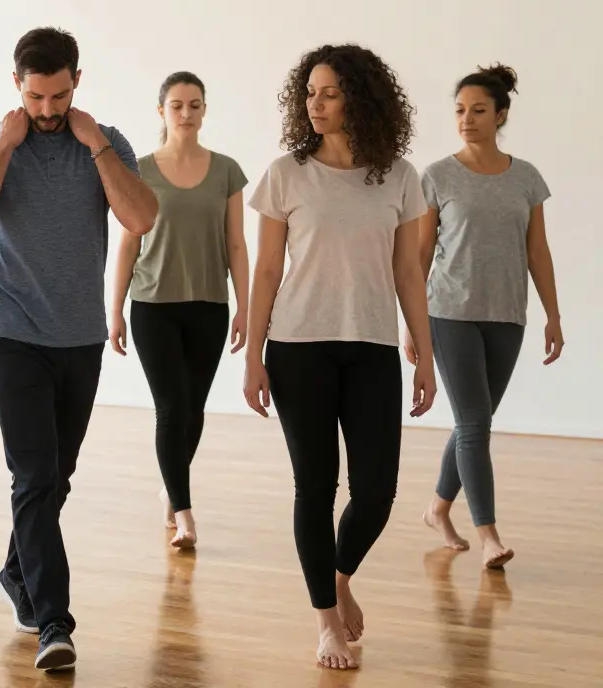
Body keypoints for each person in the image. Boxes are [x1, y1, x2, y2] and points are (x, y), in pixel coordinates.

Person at [0, 27, 157, 672]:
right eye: (36, 97)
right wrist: (7, 145)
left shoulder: (106, 143)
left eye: (58, 96)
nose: (46, 110)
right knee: (34, 477)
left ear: (76, 82)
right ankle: (54, 625)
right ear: (17, 85)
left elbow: (142, 217)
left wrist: (95, 146)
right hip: (12, 332)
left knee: (54, 479)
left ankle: (18, 572)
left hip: (80, 336)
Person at [241, 44, 437, 671]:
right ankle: (325, 621)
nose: (314, 104)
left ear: (360, 98)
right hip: (298, 346)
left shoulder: (400, 176)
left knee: (377, 490)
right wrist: (252, 356)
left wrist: (425, 357)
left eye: (328, 92)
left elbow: (409, 271)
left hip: (374, 346)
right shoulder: (286, 173)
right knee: (315, 486)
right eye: (309, 93)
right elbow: (269, 268)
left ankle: (339, 575)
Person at [412, 64, 564, 569]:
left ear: (501, 115)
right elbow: (417, 257)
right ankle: (489, 535)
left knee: (473, 422)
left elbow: (537, 251)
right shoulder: (436, 176)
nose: (467, 119)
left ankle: (437, 508)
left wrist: (553, 316)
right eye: (459, 110)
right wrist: (411, 325)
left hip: (506, 314)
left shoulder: (526, 178)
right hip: (449, 311)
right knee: (475, 424)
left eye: (478, 110)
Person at [109, 71, 250, 549]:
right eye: (176, 105)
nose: (186, 113)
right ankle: (185, 514)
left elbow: (236, 243)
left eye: (194, 105)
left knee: (193, 412)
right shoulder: (141, 171)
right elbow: (128, 246)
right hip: (153, 306)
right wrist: (115, 312)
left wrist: (245, 308)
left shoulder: (227, 170)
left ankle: (173, 490)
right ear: (161, 111)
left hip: (209, 305)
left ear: (204, 110)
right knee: (171, 409)